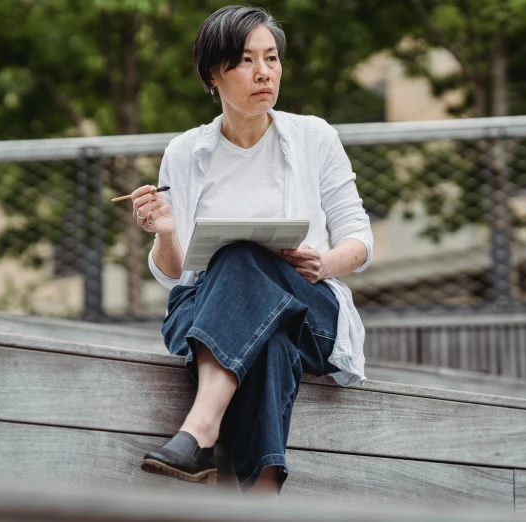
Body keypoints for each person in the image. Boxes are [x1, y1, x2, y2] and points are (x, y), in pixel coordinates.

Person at [132, 5, 373, 500]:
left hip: (310, 306)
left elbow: (359, 238)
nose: (264, 72)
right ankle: (262, 500)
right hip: (203, 311)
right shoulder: (184, 152)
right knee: (270, 341)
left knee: (244, 260)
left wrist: (323, 263)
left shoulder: (315, 137)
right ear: (214, 73)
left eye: (271, 58)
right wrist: (164, 230)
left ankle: (199, 430)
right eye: (246, 60)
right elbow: (177, 274)